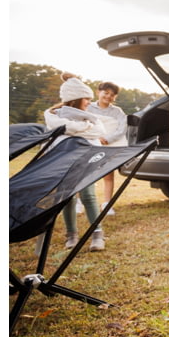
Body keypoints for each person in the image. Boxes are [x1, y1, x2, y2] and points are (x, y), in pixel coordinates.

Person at [43, 73, 109, 251]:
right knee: (67, 198)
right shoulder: (55, 118)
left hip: (85, 160)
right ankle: (71, 235)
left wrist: (82, 130)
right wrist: (79, 131)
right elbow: (58, 136)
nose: (88, 102)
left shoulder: (89, 120)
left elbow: (95, 133)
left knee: (88, 195)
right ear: (75, 98)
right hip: (62, 162)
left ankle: (97, 234)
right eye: (86, 98)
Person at [90, 81, 127, 215]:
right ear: (98, 92)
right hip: (91, 144)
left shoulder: (117, 112)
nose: (108, 96)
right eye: (106, 93)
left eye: (112, 95)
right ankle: (79, 201)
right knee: (85, 173)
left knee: (108, 175)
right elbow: (84, 124)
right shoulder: (88, 107)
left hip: (109, 145)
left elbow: (121, 129)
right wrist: (95, 138)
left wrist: (107, 139)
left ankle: (107, 204)